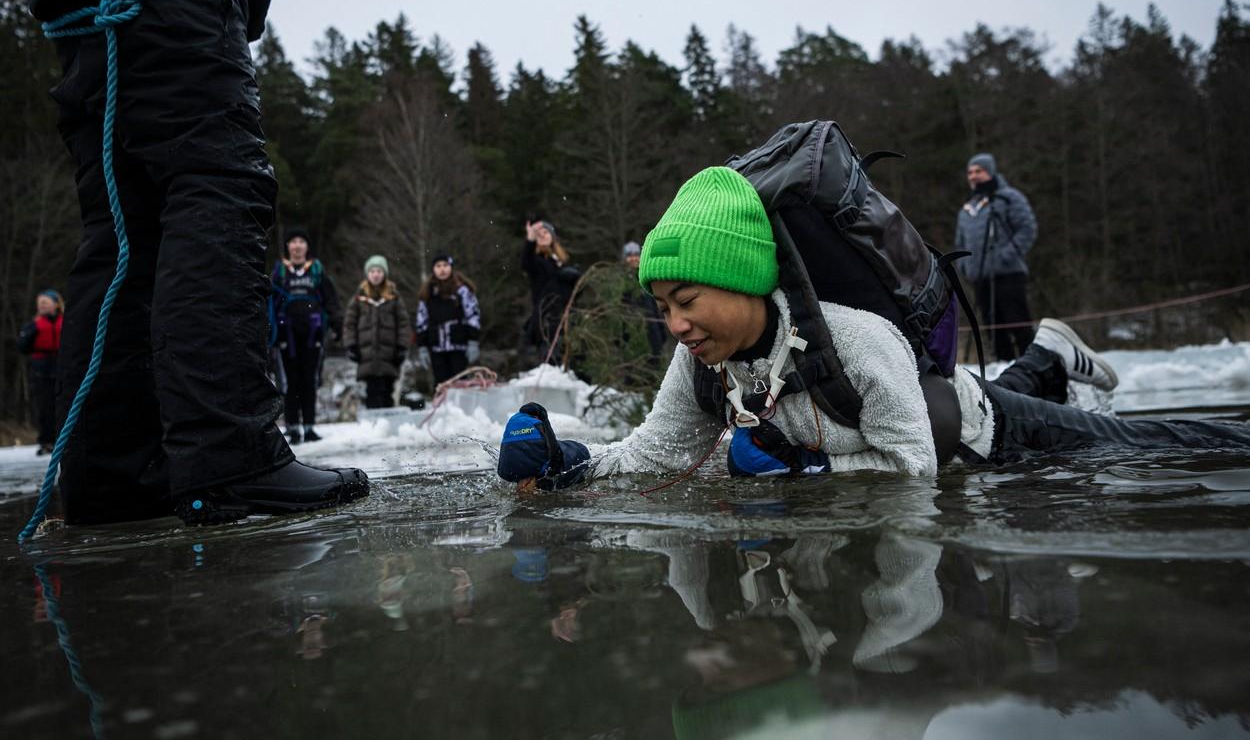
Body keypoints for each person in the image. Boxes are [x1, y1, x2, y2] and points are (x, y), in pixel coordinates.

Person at [497, 166, 1250, 490]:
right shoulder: (703, 363)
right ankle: (1049, 352)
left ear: (744, 278)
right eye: (662, 307)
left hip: (991, 435)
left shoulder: (853, 340)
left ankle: (1051, 360)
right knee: (1004, 383)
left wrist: (808, 473)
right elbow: (650, 455)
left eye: (687, 298)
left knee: (1141, 447)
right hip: (949, 399)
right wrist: (565, 463)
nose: (675, 324)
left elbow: (914, 466)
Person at [22, 0, 367, 525]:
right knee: (220, 191)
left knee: (122, 228)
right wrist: (243, 3)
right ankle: (229, 455)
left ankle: (111, 475)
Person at [955, 152, 1039, 361]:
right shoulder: (966, 209)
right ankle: (1005, 368)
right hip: (980, 278)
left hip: (1008, 274)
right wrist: (966, 266)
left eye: (979, 171)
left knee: (1017, 323)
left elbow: (1027, 229)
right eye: (970, 172)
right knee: (993, 329)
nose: (973, 176)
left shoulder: (1009, 198)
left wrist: (1005, 256)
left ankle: (1031, 365)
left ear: (990, 172)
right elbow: (960, 242)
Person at [271, 228, 342, 443]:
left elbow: (331, 300)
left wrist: (337, 325)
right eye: (293, 241)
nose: (297, 245)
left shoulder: (317, 271)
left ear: (307, 246)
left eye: (301, 241)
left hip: (313, 335)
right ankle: (292, 428)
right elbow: (269, 304)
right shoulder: (279, 272)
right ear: (288, 247)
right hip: (286, 336)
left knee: (310, 381)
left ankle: (310, 427)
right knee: (289, 383)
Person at [343, 255, 409, 409]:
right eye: (372, 271)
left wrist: (402, 347)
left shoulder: (394, 297)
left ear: (384, 273)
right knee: (372, 391)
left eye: (379, 271)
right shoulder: (359, 298)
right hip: (367, 356)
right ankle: (373, 426)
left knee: (387, 391)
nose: (376, 274)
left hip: (389, 356)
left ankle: (387, 426)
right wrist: (351, 345)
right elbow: (349, 324)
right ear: (368, 274)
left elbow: (403, 323)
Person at [414, 252, 481, 386]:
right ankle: (441, 406)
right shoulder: (428, 293)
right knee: (441, 384)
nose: (442, 269)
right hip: (436, 347)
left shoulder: (462, 290)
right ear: (433, 269)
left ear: (451, 267)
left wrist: (473, 341)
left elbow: (473, 315)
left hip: (458, 346)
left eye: (445, 265)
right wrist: (422, 347)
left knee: (460, 383)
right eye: (438, 266)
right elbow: (421, 320)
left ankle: (460, 407)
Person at [520, 219, 578, 363]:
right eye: (539, 234)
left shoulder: (562, 262)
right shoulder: (537, 262)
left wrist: (575, 279)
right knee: (549, 360)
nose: (542, 235)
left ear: (552, 236)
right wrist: (530, 239)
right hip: (544, 321)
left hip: (565, 319)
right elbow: (525, 262)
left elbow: (574, 294)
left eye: (545, 232)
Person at [17, 291, 64, 455]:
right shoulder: (34, 325)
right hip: (41, 369)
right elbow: (22, 347)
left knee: (62, 404)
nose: (41, 305)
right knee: (44, 407)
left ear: (56, 304)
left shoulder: (65, 322)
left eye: (45, 302)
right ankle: (46, 441)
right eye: (39, 303)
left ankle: (63, 438)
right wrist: (30, 333)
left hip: (60, 366)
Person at [621, 241, 667, 358]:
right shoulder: (621, 281)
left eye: (636, 255)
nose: (633, 258)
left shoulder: (646, 277)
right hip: (632, 337)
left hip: (653, 333)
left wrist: (661, 331)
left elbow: (655, 306)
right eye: (629, 256)